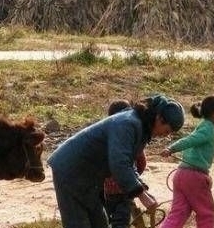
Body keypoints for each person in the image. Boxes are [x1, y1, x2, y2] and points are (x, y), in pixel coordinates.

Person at [48, 94, 185, 228]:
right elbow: (119, 164)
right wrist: (142, 196)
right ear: (159, 118)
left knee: (100, 223)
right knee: (78, 223)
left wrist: (142, 188)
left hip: (90, 177)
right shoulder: (127, 123)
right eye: (167, 131)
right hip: (71, 170)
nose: (165, 136)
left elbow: (129, 164)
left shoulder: (141, 129)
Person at [160, 95, 214, 228]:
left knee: (178, 213)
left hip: (181, 175)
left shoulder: (204, 126)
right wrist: (172, 148)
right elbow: (190, 140)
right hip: (194, 176)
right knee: (207, 214)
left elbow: (191, 139)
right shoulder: (208, 128)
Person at [102, 99, 148, 228]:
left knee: (105, 219)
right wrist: (132, 178)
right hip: (125, 191)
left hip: (105, 190)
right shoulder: (132, 135)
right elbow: (142, 163)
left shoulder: (104, 135)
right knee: (121, 221)